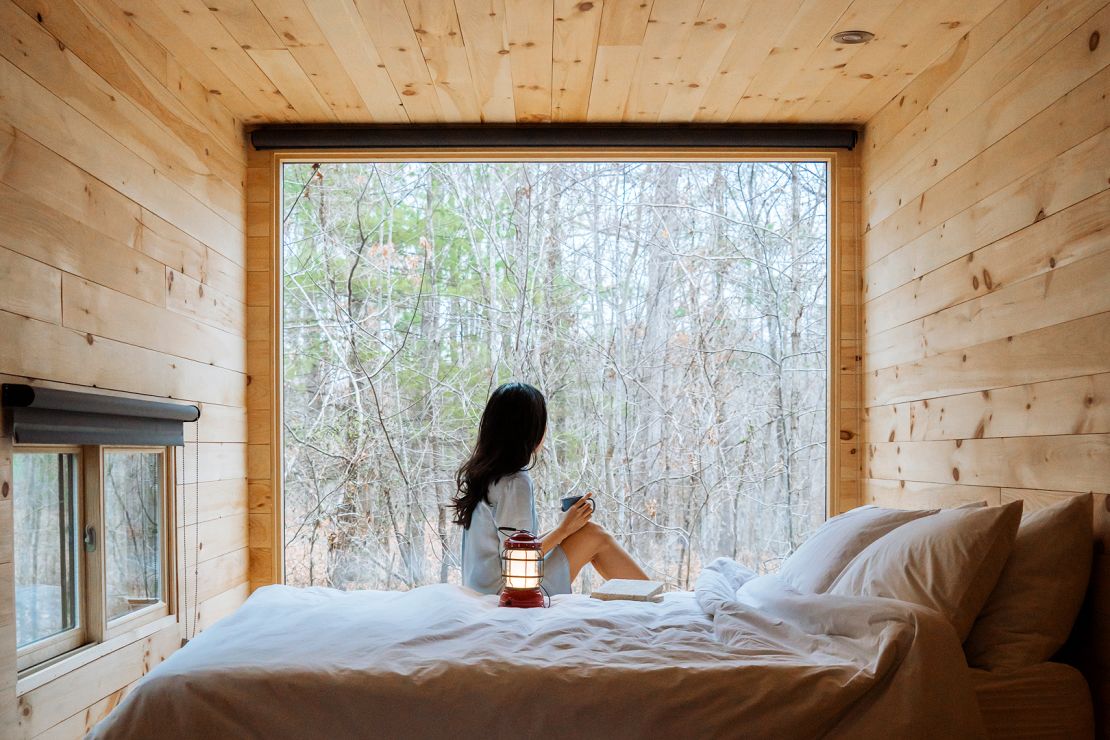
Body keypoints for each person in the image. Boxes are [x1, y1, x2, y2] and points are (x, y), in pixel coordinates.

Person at [454, 382, 648, 596]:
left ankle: (651, 594)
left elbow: (511, 546)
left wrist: (568, 528)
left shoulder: (485, 474)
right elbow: (517, 559)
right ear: (531, 430)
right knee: (595, 535)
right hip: (509, 594)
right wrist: (563, 530)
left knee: (585, 531)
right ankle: (657, 599)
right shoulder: (514, 482)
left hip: (485, 589)